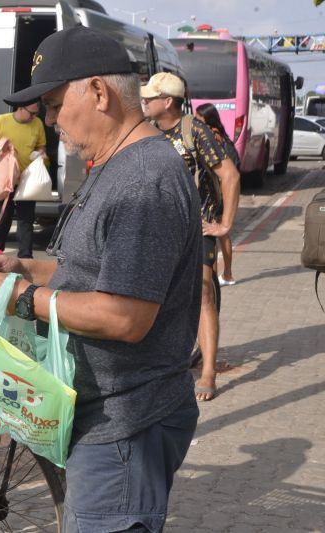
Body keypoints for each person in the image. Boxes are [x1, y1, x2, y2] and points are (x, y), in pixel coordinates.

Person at [0, 26, 201, 533]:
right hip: (105, 415)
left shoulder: (143, 181)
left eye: (53, 105)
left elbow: (124, 316)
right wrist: (25, 268)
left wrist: (24, 299)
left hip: (125, 423)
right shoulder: (117, 164)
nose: (50, 122)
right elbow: (98, 269)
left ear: (98, 92)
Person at [141, 72, 241, 401]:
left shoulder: (194, 129)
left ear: (167, 101)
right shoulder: (147, 132)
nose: (145, 102)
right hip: (161, 228)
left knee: (202, 296)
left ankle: (209, 370)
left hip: (198, 227)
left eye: (150, 98)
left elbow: (229, 174)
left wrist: (225, 224)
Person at [0, 102, 47, 258]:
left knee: (26, 220)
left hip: (27, 180)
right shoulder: (1, 120)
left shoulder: (37, 123)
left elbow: (41, 146)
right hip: (6, 179)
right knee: (2, 219)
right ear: (21, 108)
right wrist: (2, 146)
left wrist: (39, 153)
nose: (34, 117)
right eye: (31, 113)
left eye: (36, 114)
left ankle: (26, 258)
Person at [196, 102, 241, 286]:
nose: (195, 122)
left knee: (215, 235)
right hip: (221, 194)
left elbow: (228, 173)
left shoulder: (211, 138)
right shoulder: (221, 136)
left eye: (198, 119)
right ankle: (227, 274)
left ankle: (215, 280)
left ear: (207, 119)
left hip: (218, 195)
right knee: (221, 236)